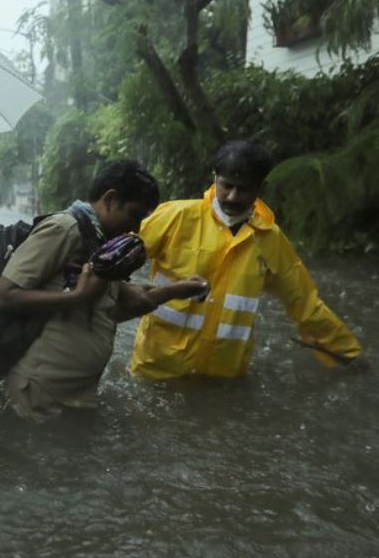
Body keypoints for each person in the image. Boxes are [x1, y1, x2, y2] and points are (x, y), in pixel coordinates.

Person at [0, 160, 209, 421]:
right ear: (110, 198)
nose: (136, 228)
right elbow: (3, 296)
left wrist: (177, 290)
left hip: (77, 394)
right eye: (134, 215)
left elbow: (124, 303)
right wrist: (77, 297)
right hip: (40, 391)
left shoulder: (101, 246)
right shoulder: (64, 229)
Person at [130, 140, 363, 380]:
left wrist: (350, 355)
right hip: (157, 368)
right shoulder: (176, 217)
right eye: (226, 186)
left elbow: (305, 304)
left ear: (260, 187)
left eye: (243, 189)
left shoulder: (271, 240)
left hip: (222, 377)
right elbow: (116, 261)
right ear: (215, 177)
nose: (232, 196)